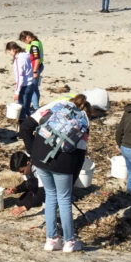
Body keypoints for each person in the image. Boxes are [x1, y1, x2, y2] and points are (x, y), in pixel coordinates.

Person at [26, 94, 91, 252]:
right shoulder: (83, 121)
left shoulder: (59, 108)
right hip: (63, 163)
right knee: (64, 199)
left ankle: (51, 239)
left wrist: (33, 154)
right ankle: (69, 241)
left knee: (50, 196)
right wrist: (74, 178)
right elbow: (80, 154)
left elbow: (29, 127)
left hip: (40, 157)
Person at [6, 151, 44, 217]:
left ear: (28, 163)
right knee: (20, 202)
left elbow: (42, 191)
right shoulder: (25, 162)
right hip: (37, 184)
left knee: (27, 203)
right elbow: (26, 183)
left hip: (47, 188)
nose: (21, 173)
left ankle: (41, 201)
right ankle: (35, 199)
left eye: (22, 171)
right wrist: (16, 189)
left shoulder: (39, 168)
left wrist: (24, 208)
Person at [5, 41, 35, 123]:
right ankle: (33, 124)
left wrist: (17, 92)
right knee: (27, 108)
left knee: (22, 111)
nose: (10, 54)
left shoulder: (18, 60)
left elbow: (20, 78)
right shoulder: (25, 54)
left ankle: (22, 131)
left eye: (9, 52)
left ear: (12, 50)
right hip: (31, 84)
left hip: (25, 87)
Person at [19, 30, 44, 111]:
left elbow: (37, 59)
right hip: (36, 67)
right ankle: (35, 105)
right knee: (35, 88)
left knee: (33, 88)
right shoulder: (36, 42)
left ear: (28, 37)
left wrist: (35, 71)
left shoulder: (34, 46)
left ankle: (36, 107)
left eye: (24, 41)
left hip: (35, 68)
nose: (25, 43)